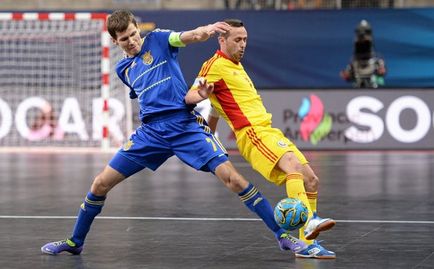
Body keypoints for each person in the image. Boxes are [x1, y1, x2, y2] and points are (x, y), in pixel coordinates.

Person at [40, 10, 307, 256]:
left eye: (134, 34)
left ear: (138, 29)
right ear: (115, 41)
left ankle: (282, 234)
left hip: (184, 126)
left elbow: (190, 36)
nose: (132, 41)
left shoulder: (159, 40)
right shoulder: (123, 69)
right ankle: (76, 242)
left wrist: (208, 29)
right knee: (99, 184)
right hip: (150, 133)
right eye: (124, 39)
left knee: (233, 180)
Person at [185, 19, 336, 259]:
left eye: (245, 40)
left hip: (269, 130)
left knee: (311, 180)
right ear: (221, 40)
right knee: (292, 168)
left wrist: (210, 130)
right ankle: (308, 220)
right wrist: (200, 96)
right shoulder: (213, 65)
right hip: (252, 133)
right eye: (237, 40)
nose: (243, 45)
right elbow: (192, 94)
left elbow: (216, 106)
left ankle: (308, 245)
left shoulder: (236, 66)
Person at [340, 19, 387, 88]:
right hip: (358, 87)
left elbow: (382, 73)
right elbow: (349, 76)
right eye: (360, 33)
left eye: (366, 33)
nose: (363, 38)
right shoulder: (353, 62)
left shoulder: (376, 61)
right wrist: (346, 75)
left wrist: (381, 71)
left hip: (374, 87)